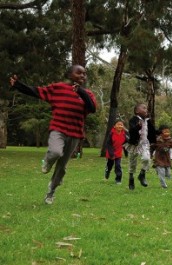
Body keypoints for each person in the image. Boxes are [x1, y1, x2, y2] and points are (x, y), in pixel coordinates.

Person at [9, 65, 97, 204]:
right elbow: (37, 91)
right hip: (58, 128)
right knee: (55, 152)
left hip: (74, 134)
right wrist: (18, 85)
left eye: (84, 74)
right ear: (69, 74)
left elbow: (92, 108)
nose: (82, 76)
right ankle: (47, 162)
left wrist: (81, 92)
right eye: (78, 73)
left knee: (62, 167)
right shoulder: (58, 88)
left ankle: (50, 192)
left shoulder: (87, 94)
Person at [126, 103, 157, 190]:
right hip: (134, 144)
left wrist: (161, 132)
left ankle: (142, 174)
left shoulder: (147, 121)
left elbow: (153, 131)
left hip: (144, 144)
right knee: (132, 163)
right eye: (144, 108)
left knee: (147, 159)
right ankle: (131, 178)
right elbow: (131, 130)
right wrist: (138, 126)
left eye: (146, 108)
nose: (146, 110)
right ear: (137, 111)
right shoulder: (133, 120)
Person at [104, 120, 128, 184]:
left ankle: (118, 179)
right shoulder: (111, 133)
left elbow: (125, 144)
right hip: (111, 153)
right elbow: (108, 144)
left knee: (118, 165)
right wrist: (111, 154)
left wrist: (126, 153)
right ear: (114, 126)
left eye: (121, 125)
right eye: (118, 124)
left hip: (118, 153)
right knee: (110, 165)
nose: (120, 126)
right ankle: (108, 171)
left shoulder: (124, 134)